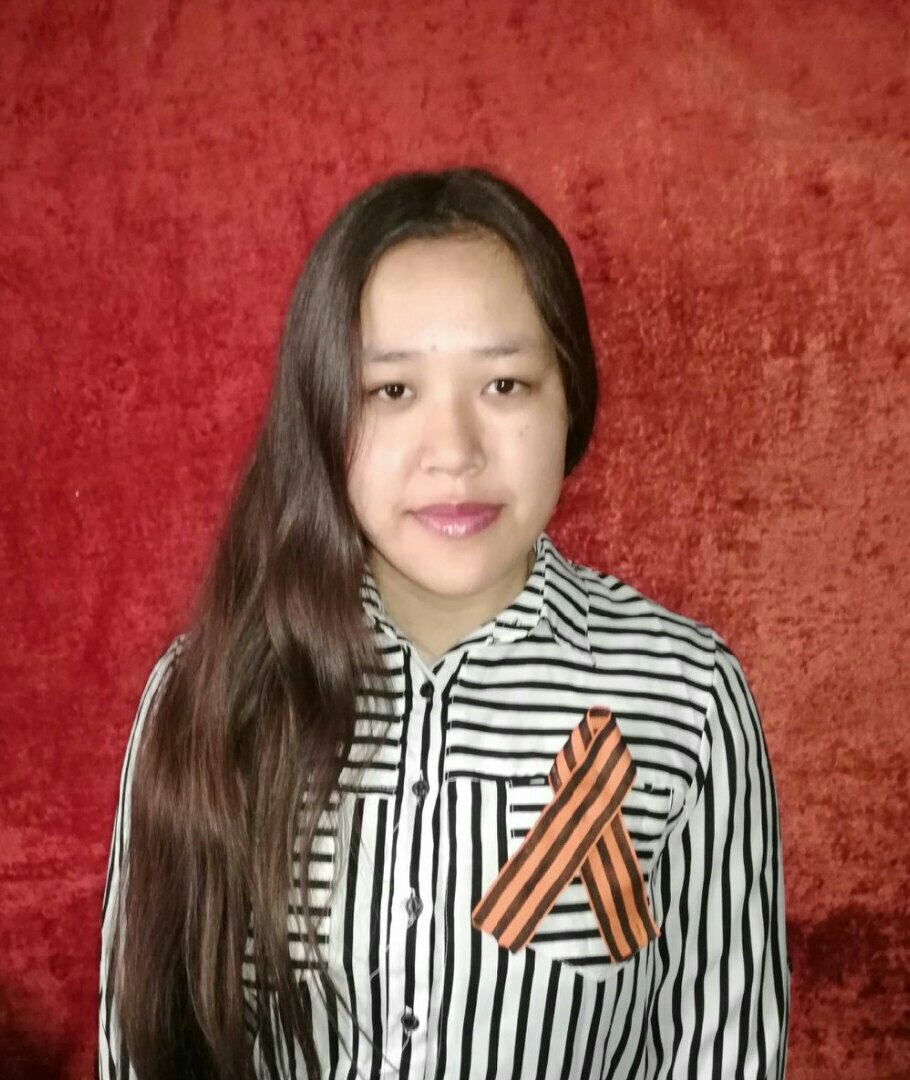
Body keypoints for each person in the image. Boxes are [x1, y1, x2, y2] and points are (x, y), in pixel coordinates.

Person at [97, 166, 791, 1079]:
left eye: (504, 384)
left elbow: (724, 1049)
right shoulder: (208, 690)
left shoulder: (688, 699)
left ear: (571, 398)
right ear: (322, 411)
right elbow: (142, 1044)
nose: (455, 452)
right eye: (392, 391)